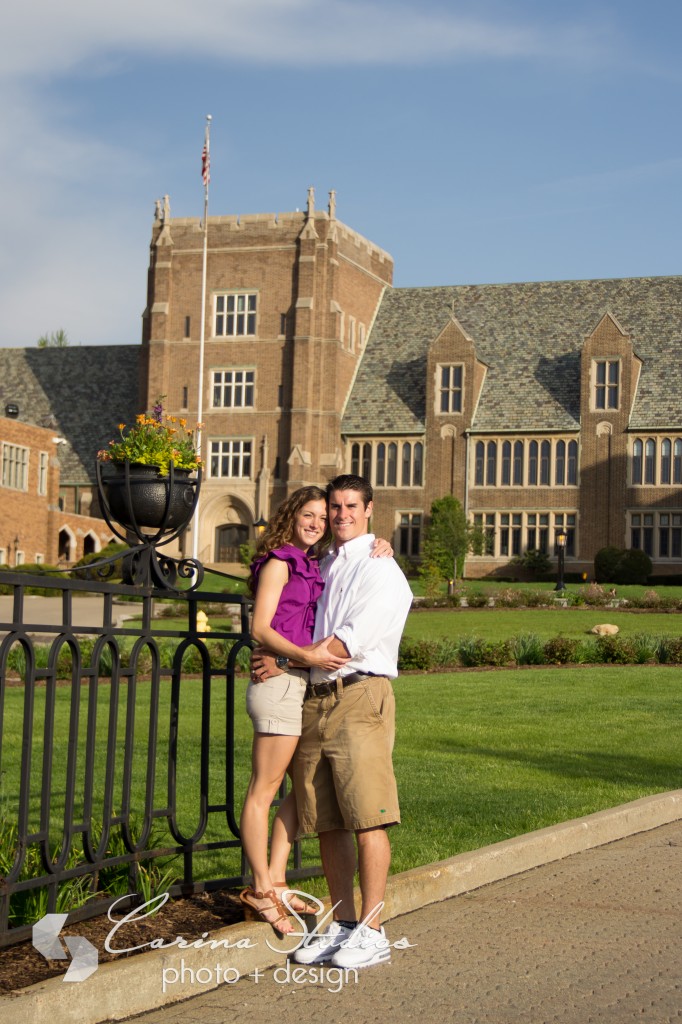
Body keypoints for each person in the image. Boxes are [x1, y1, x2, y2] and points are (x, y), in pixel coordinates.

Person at [251, 474, 413, 968]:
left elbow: (347, 643)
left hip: (359, 696)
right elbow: (297, 618)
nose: (340, 515)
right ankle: (343, 925)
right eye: (334, 506)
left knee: (367, 816)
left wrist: (289, 661)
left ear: (369, 510)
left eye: (349, 507)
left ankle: (373, 928)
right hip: (315, 698)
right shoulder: (324, 562)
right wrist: (293, 662)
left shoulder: (380, 567)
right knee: (326, 821)